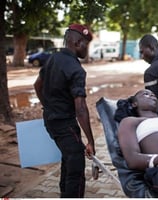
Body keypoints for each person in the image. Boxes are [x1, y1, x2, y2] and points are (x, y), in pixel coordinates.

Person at [33, 24, 95, 198]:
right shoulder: (76, 70)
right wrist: (90, 141)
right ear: (76, 42)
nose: (86, 49)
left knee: (68, 158)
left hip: (50, 121)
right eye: (85, 44)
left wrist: (48, 106)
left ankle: (63, 193)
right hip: (65, 125)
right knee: (76, 165)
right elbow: (81, 109)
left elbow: (37, 85)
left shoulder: (53, 58)